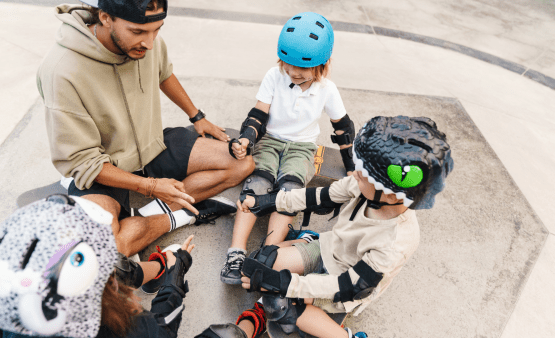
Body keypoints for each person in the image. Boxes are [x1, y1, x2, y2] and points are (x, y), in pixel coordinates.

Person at [36, 0, 254, 257]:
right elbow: (85, 163)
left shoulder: (145, 42)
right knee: (99, 250)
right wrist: (150, 186)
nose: (150, 43)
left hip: (153, 146)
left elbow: (164, 73)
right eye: (138, 32)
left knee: (242, 163)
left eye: (157, 30)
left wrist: (196, 116)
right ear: (105, 18)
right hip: (104, 169)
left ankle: (145, 215)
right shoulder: (61, 71)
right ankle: (179, 216)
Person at [237, 116, 454, 337]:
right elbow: (320, 196)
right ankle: (307, 243)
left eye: (364, 172)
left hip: (347, 283)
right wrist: (269, 201)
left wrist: (285, 283)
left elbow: (347, 285)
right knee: (262, 262)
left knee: (283, 303)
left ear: (389, 192)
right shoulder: (365, 186)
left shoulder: (396, 242)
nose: (356, 172)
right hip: (328, 248)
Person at [0, 195, 267, 338]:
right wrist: (177, 276)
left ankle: (158, 268)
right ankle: (255, 320)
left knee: (107, 267)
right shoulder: (132, 331)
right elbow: (164, 325)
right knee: (225, 336)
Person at [221, 12, 356, 285]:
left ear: (324, 64)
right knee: (256, 185)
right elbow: (258, 114)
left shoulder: (327, 89)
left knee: (290, 192)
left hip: (302, 147)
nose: (293, 72)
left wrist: (351, 167)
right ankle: (235, 253)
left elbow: (343, 129)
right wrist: (247, 138)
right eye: (288, 64)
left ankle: (266, 254)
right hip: (270, 140)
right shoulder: (274, 75)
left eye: (302, 68)